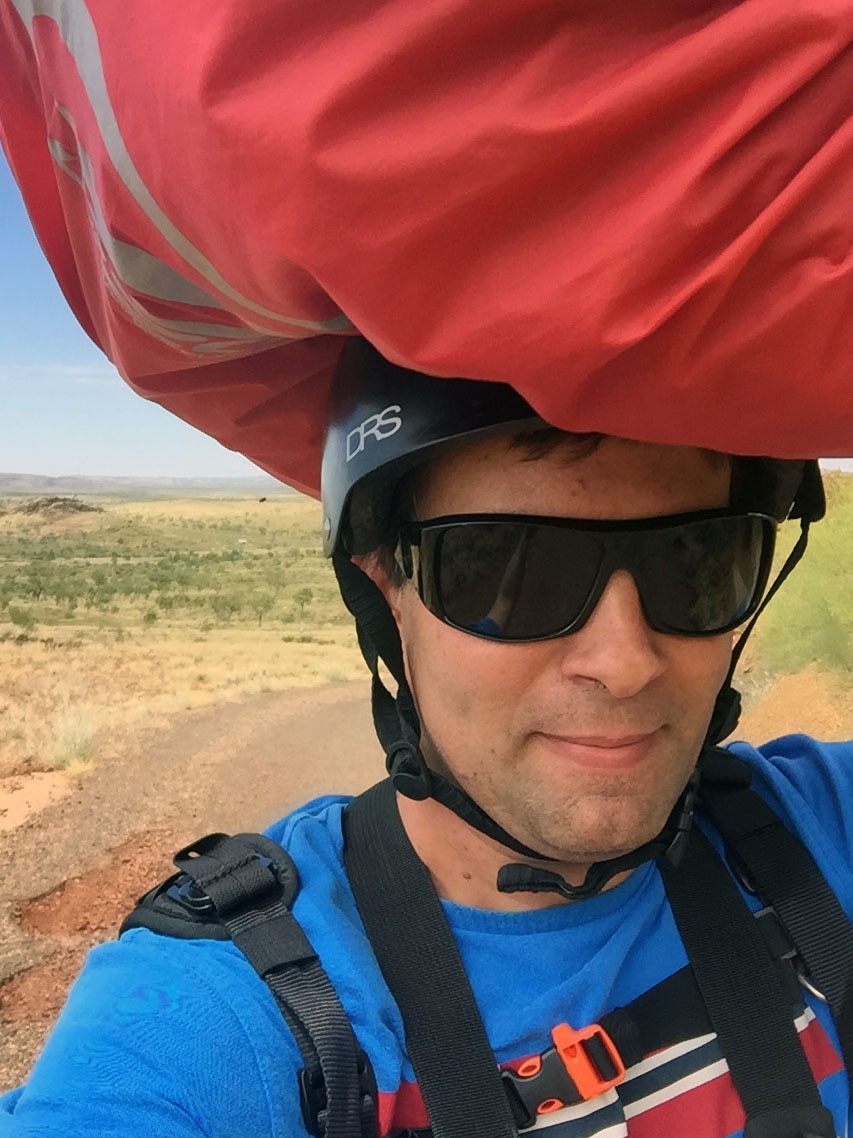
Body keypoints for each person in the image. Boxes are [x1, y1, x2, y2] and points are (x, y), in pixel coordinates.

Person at [0, 337, 849, 1138]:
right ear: (387, 595)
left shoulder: (822, 829)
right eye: (512, 574)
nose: (623, 662)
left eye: (699, 561)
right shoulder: (229, 1009)